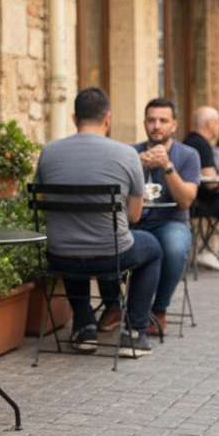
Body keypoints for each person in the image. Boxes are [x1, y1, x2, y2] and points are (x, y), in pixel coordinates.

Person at [32, 86, 161, 355]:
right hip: (111, 254)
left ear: (74, 118)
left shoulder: (49, 152)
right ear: (108, 119)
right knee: (153, 247)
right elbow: (135, 216)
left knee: (72, 241)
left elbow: (44, 204)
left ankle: (84, 327)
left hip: (59, 255)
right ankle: (134, 332)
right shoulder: (127, 155)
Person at [131, 98, 199, 336]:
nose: (156, 126)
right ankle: (114, 306)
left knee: (173, 245)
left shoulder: (188, 155)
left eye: (163, 120)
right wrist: (135, 166)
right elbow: (116, 195)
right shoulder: (130, 153)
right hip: (134, 222)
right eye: (151, 120)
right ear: (144, 123)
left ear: (174, 125)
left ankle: (158, 311)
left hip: (170, 222)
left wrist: (167, 166)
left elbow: (186, 200)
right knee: (105, 237)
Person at [183, 106, 219, 266]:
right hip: (198, 204)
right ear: (210, 124)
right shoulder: (202, 145)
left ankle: (218, 251)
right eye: (217, 122)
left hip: (191, 200)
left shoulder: (190, 140)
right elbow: (210, 183)